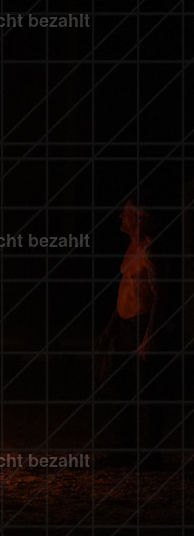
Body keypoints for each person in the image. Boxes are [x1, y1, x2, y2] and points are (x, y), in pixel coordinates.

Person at [95, 196, 161, 467]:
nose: (121, 216)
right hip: (124, 326)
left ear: (141, 216)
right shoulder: (130, 247)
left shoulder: (150, 249)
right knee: (119, 388)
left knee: (143, 391)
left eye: (127, 212)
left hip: (141, 326)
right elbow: (125, 290)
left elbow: (161, 295)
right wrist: (111, 326)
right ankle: (123, 450)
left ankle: (149, 455)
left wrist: (150, 335)